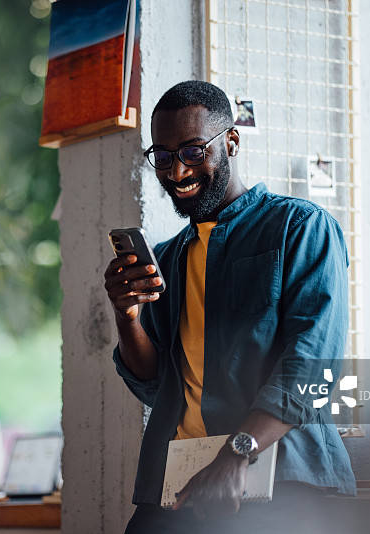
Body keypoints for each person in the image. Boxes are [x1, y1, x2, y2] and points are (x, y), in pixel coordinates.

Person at [103, 80, 355, 533]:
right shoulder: (167, 257)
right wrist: (127, 316)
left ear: (232, 141)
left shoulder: (300, 228)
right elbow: (154, 383)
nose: (177, 171)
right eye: (163, 156)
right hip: (178, 488)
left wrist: (236, 454)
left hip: (281, 484)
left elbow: (314, 369)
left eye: (193, 151)